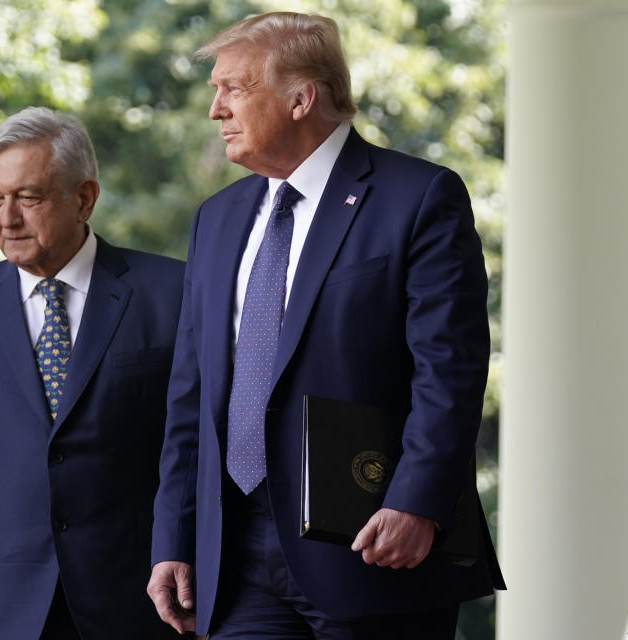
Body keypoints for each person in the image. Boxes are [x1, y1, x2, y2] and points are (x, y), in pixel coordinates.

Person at [147, 12, 504, 639]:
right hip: (236, 555)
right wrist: (174, 537)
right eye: (215, 92)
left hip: (374, 543)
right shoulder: (217, 218)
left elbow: (448, 369)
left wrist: (416, 500)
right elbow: (191, 393)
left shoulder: (419, 197)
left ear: (300, 98)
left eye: (234, 88)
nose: (216, 110)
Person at [0, 107, 184, 640]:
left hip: (138, 604)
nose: (7, 219)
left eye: (28, 198)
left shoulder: (173, 294)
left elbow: (196, 454)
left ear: (84, 198)